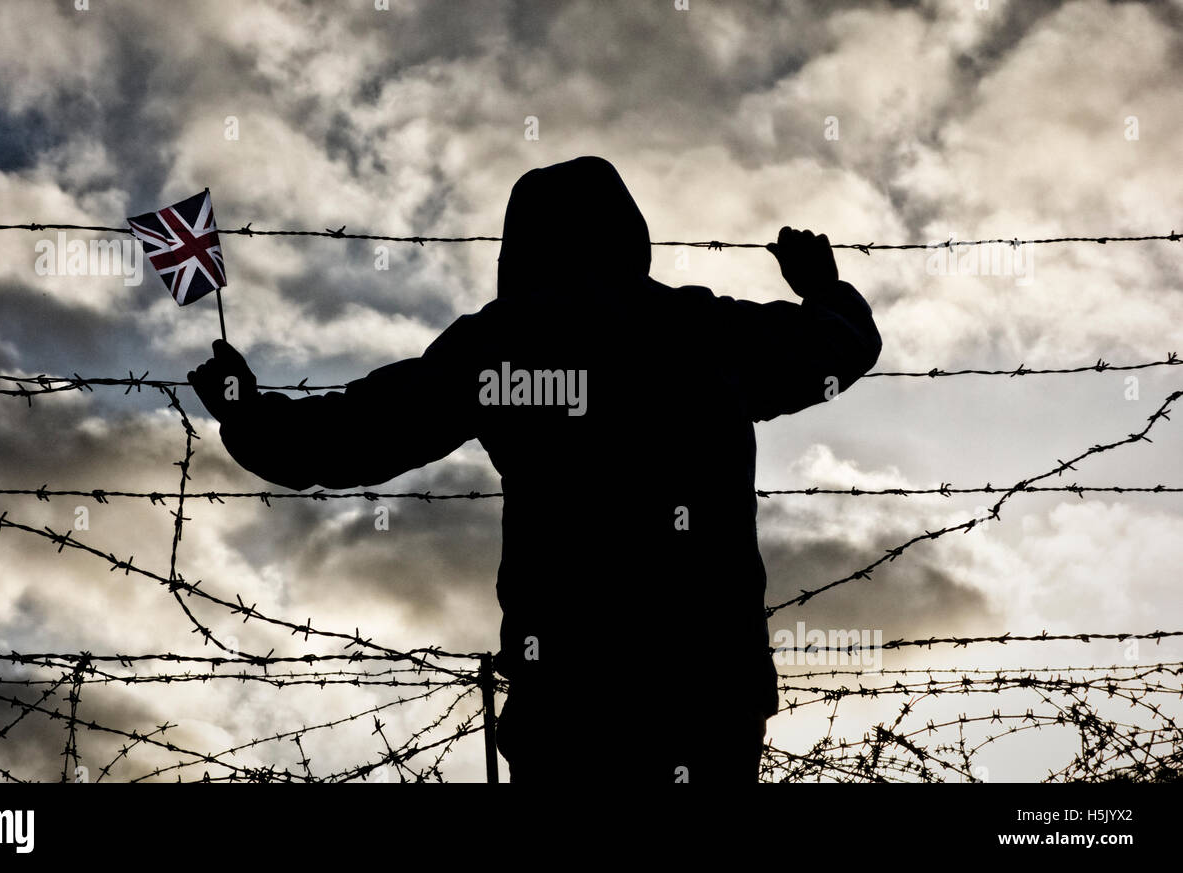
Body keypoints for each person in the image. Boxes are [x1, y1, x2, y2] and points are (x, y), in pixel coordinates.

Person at [189, 155, 881, 783]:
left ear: (520, 247)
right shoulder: (707, 332)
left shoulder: (505, 342)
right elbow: (837, 349)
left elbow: (356, 435)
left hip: (571, 696)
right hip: (709, 693)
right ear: (628, 235)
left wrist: (247, 412)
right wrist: (823, 288)